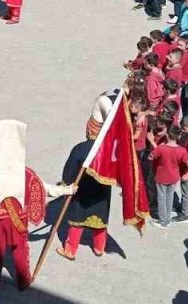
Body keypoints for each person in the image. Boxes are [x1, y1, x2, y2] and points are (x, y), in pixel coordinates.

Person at [0, 120, 72, 290]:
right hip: (19, 218)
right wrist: (67, 190)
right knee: (20, 250)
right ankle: (24, 280)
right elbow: (48, 189)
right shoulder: (28, 174)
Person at [56, 93, 120, 260]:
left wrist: (65, 186)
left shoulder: (80, 149)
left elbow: (69, 172)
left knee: (76, 222)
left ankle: (71, 250)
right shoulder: (109, 152)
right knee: (100, 223)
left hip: (82, 193)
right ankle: (99, 248)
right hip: (101, 195)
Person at [148, 124, 188, 228]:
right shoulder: (182, 150)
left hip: (161, 176)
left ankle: (163, 221)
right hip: (174, 177)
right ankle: (167, 218)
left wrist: (153, 143)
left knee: (161, 198)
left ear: (167, 135)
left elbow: (150, 157)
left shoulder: (161, 148)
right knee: (170, 196)